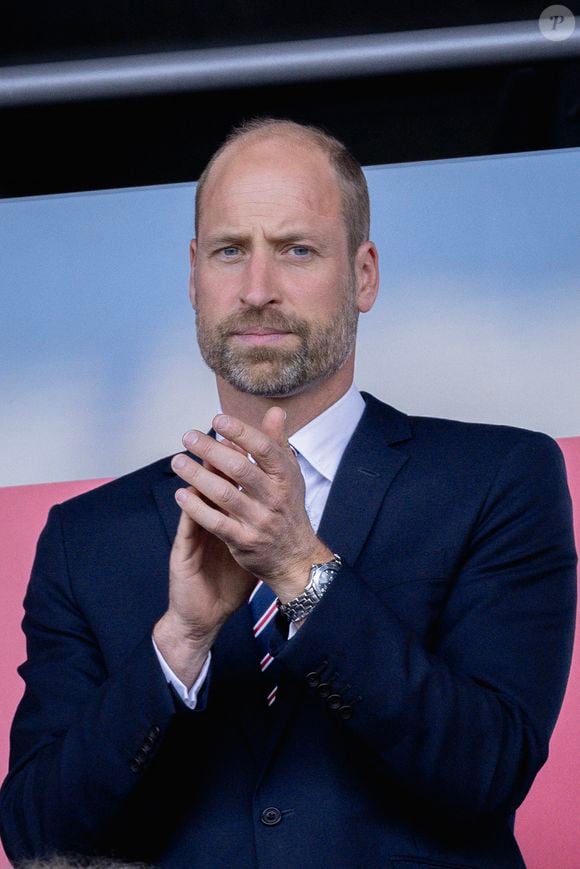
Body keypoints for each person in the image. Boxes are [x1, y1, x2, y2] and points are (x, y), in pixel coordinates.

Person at [0, 118, 576, 869]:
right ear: (193, 279)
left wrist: (301, 570)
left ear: (364, 274)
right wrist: (178, 644)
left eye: (297, 249)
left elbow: (486, 767)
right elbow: (37, 831)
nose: (258, 289)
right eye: (229, 250)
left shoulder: (501, 478)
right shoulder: (86, 538)